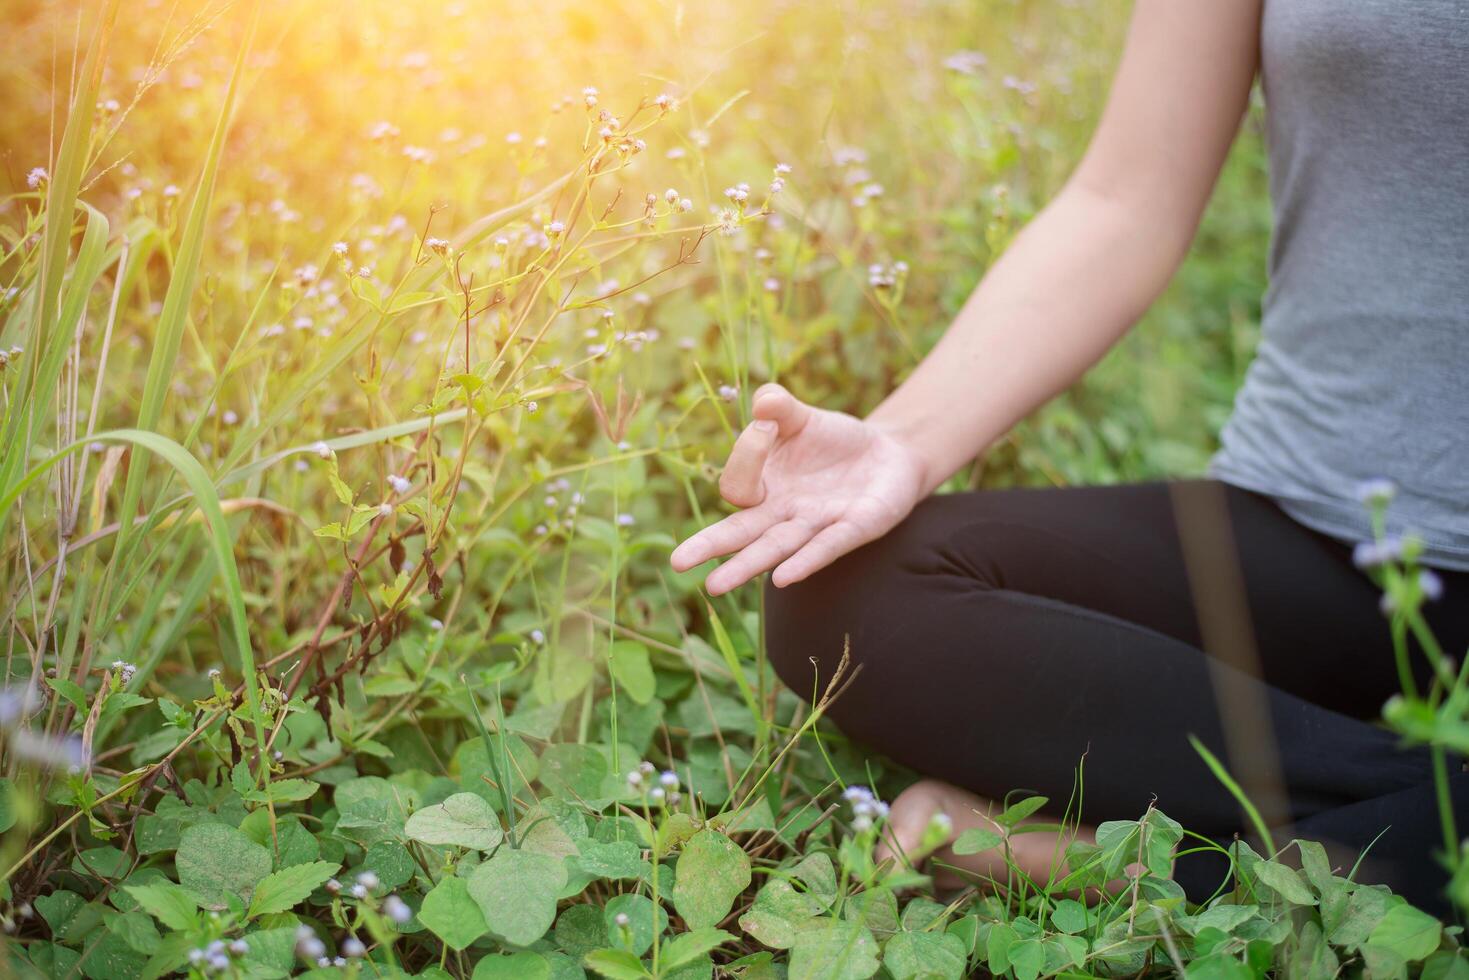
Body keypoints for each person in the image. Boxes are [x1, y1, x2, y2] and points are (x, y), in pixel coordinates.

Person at [670, 0, 1469, 911]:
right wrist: (901, 442)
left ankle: (1135, 868)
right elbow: (1125, 198)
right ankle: (1415, 816)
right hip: (1317, 525)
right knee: (834, 592)